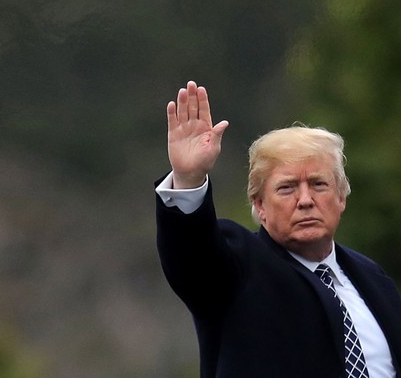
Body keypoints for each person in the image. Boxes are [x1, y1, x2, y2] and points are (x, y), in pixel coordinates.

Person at [156, 80, 401, 377]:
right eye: (287, 188)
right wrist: (189, 179)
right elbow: (193, 260)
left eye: (318, 184)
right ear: (260, 205)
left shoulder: (374, 279)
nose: (306, 200)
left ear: (341, 197)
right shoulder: (239, 267)